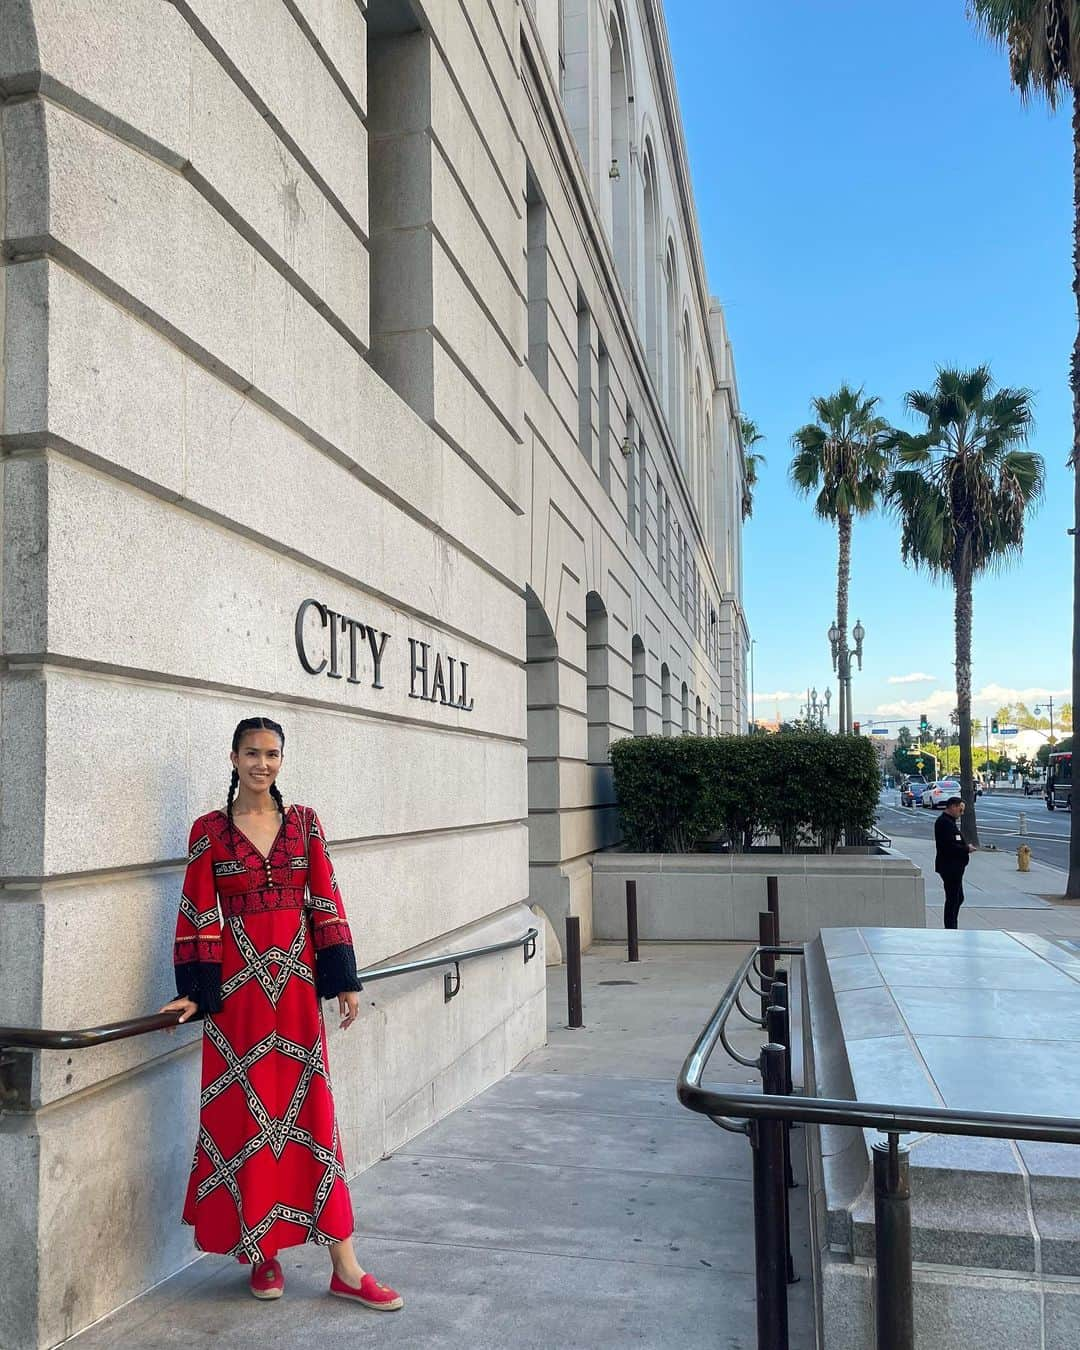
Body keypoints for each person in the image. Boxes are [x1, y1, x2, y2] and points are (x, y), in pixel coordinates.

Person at [158, 717, 403, 1310]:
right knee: (247, 1120)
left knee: (313, 1119)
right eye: (252, 753)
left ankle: (345, 1265)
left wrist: (343, 979)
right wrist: (195, 989)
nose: (262, 764)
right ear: (234, 757)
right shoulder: (208, 831)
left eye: (272, 754)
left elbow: (326, 898)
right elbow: (196, 909)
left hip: (294, 994)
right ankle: (261, 1253)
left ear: (281, 760)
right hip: (237, 1004)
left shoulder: (305, 824)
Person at [934, 796, 976, 930]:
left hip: (954, 866)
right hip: (949, 866)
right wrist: (966, 848)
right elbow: (949, 846)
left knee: (958, 898)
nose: (961, 813)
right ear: (952, 806)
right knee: (953, 898)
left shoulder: (949, 822)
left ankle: (952, 925)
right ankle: (950, 927)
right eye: (960, 809)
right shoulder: (944, 823)